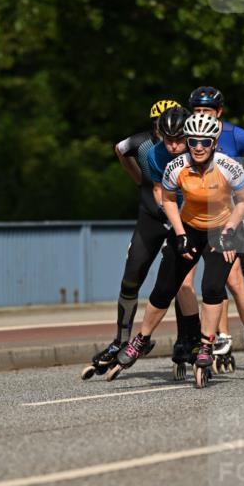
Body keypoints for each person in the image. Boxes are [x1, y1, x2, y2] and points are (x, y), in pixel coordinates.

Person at [109, 111, 244, 381]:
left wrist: (230, 231)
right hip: (189, 227)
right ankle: (141, 339)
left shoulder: (228, 166)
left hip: (221, 229)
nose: (198, 147)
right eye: (193, 142)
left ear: (214, 143)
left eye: (205, 142)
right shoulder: (176, 166)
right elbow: (167, 199)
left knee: (213, 286)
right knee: (165, 286)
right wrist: (179, 233)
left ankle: (216, 343)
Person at [82, 101, 191, 378]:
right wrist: (137, 178)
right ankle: (120, 340)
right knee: (131, 276)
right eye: (157, 127)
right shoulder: (145, 147)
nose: (163, 135)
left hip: (183, 217)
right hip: (152, 216)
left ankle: (185, 341)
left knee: (180, 281)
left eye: (171, 130)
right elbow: (120, 150)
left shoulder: (192, 149)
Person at [182, 85, 244, 368]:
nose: (201, 115)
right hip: (209, 210)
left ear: (219, 112)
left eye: (206, 111)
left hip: (238, 207)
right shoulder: (193, 136)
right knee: (219, 273)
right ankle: (222, 336)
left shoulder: (234, 134)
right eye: (197, 111)